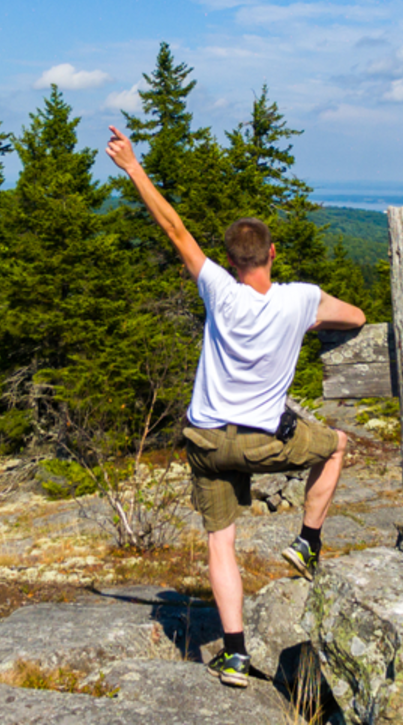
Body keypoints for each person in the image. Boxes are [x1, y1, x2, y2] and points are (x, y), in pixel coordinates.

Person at [104, 125, 366, 690]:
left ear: (229, 259)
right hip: (262, 440)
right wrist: (313, 316)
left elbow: (173, 228)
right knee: (337, 446)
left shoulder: (217, 290)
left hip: (203, 440)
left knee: (220, 541)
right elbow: (359, 317)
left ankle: (237, 656)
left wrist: (133, 167)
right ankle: (307, 543)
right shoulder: (300, 299)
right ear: (272, 254)